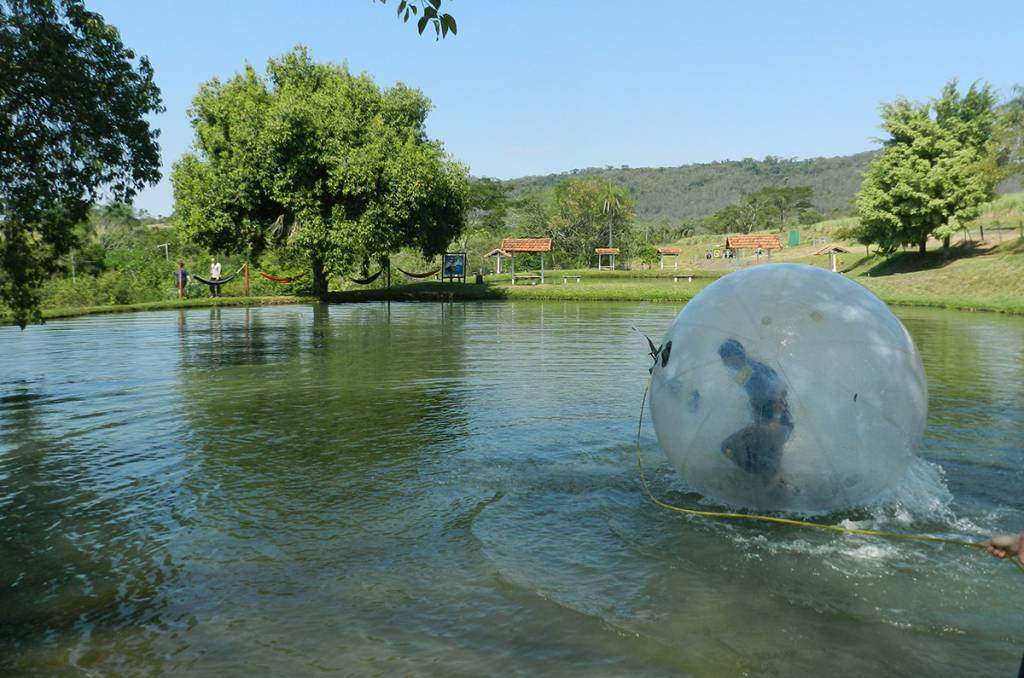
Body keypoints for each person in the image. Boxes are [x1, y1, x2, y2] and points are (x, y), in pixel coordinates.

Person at [718, 338, 794, 485]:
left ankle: (775, 481)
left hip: (776, 424)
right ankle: (778, 486)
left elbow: (781, 389)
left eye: (725, 357)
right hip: (774, 424)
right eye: (722, 359)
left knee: (728, 447)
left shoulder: (754, 370)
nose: (724, 363)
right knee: (768, 462)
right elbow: (756, 399)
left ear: (736, 355)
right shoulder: (746, 371)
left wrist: (775, 421)